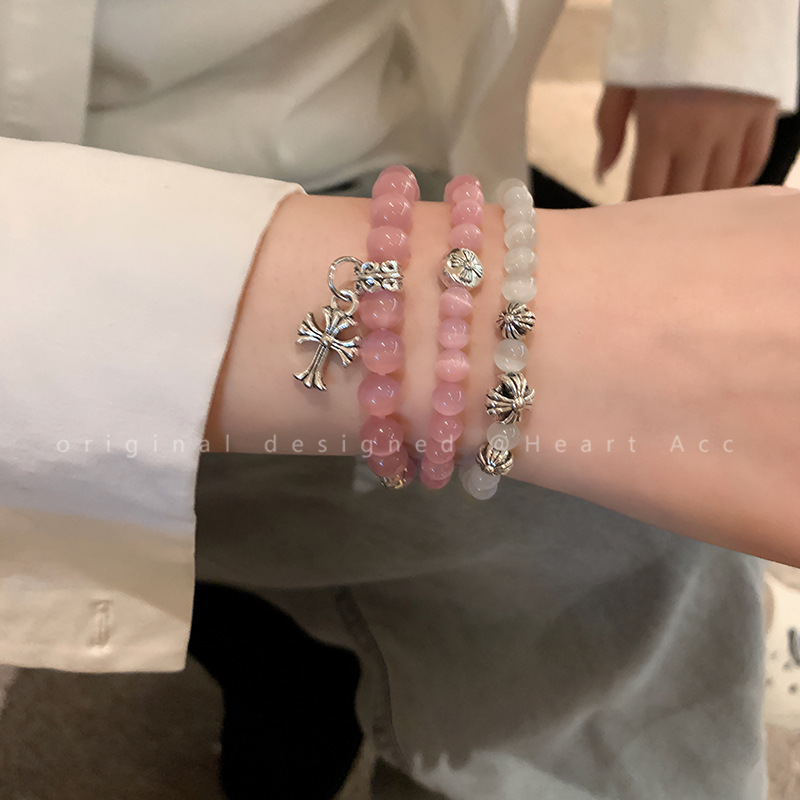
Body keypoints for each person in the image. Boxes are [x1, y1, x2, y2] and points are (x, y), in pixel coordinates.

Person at [1, 2, 799, 800]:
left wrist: (712, 34)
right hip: (70, 277)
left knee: (651, 553)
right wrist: (492, 334)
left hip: (357, 129)